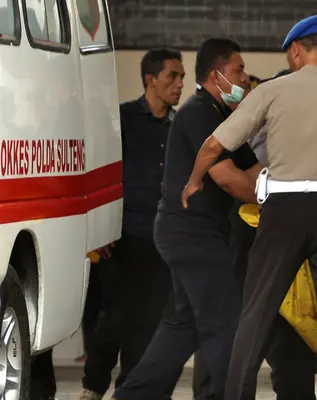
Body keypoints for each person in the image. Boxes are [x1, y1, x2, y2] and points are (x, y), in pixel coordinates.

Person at [182, 14, 317, 400]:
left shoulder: (270, 92)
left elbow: (215, 145)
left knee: (256, 314)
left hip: (282, 213)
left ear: (296, 51)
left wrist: (195, 178)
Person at [111, 38, 261, 400]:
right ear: (217, 75)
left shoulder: (224, 116)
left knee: (183, 325)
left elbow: (255, 169)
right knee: (223, 325)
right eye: (238, 70)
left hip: (196, 235)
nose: (244, 78)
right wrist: (275, 193)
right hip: (192, 235)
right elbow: (229, 179)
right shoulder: (199, 114)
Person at [79, 48, 186, 400]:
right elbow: (96, 175)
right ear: (150, 80)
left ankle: (131, 389)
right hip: (122, 236)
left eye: (182, 76)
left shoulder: (180, 126)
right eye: (172, 76)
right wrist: (97, 228)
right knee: (115, 318)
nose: (179, 84)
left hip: (163, 240)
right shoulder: (121, 119)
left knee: (150, 322)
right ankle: (93, 386)